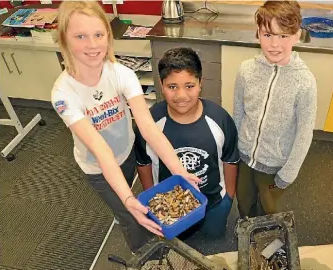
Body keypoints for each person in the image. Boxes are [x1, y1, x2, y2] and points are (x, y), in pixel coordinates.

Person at [51, 1, 199, 252]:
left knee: (131, 195)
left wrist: (178, 170)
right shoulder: (63, 94)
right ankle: (145, 255)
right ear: (64, 38)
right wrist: (128, 200)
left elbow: (149, 128)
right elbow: (100, 149)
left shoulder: (121, 74)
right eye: (80, 36)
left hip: (127, 150)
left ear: (108, 36)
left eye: (99, 34)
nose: (92, 44)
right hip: (97, 167)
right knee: (129, 214)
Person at [135, 47, 239, 238]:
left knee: (214, 237)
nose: (181, 96)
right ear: (161, 84)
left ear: (201, 83)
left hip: (213, 202)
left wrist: (228, 198)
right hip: (171, 208)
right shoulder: (149, 124)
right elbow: (143, 163)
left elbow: (230, 160)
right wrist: (151, 201)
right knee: (178, 243)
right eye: (172, 87)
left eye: (189, 86)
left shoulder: (220, 119)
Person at [233, 1, 317, 217]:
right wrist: (234, 148)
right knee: (244, 200)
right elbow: (238, 112)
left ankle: (267, 238)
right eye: (268, 35)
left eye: (283, 36)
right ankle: (246, 229)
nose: (274, 44)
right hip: (244, 155)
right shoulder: (246, 71)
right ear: (258, 34)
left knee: (268, 208)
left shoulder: (304, 82)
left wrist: (289, 172)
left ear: (297, 35)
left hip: (275, 164)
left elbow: (304, 132)